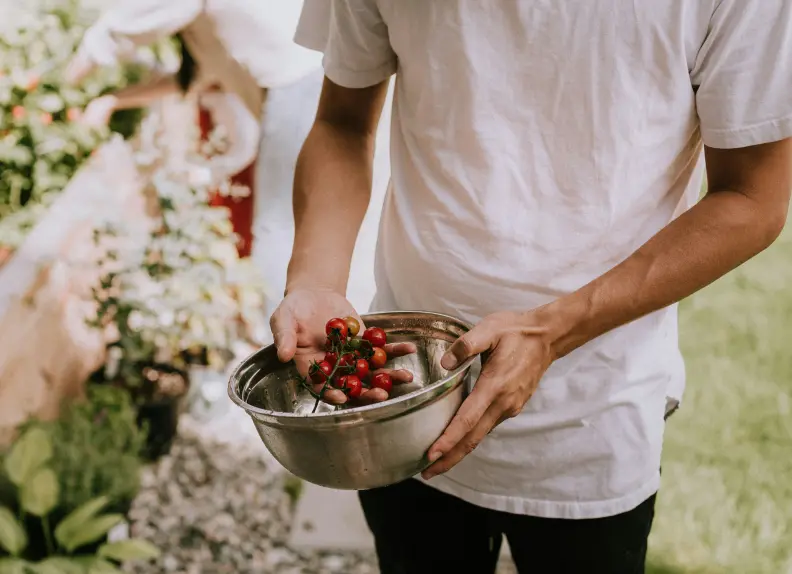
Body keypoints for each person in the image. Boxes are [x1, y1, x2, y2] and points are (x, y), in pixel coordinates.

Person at [270, 1, 792, 573]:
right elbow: (342, 123)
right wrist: (316, 280)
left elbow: (752, 199)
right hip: (402, 394)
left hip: (591, 413)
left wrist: (551, 331)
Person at [65, 0, 322, 258]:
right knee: (305, 224)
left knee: (278, 231)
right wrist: (112, 100)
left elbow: (135, 21)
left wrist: (75, 70)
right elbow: (192, 78)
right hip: (304, 86)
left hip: (298, 89)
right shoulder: (210, 28)